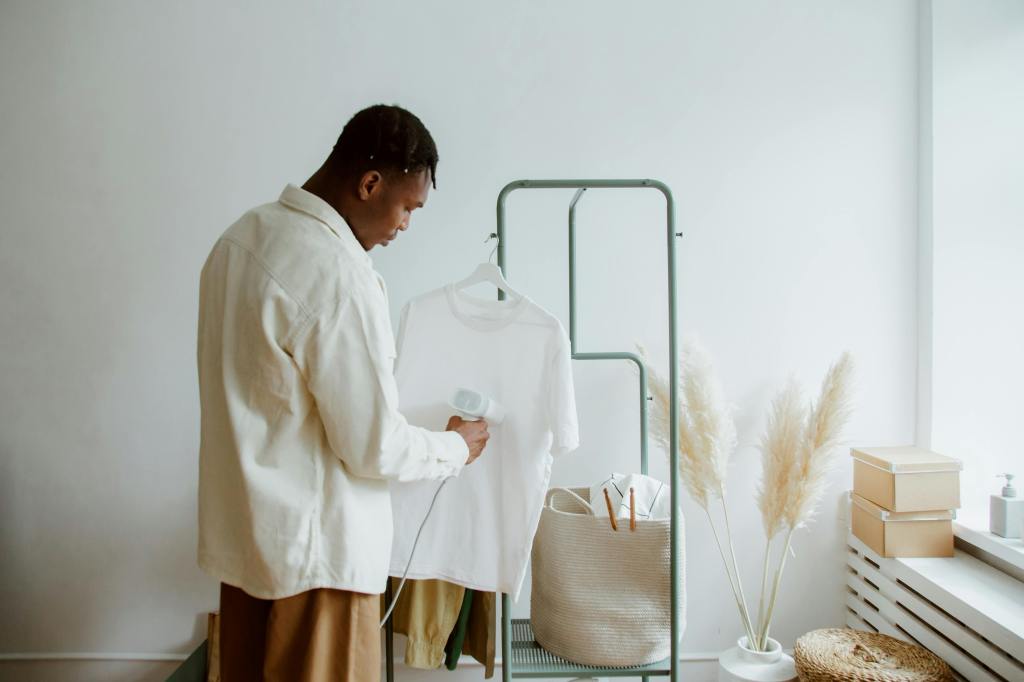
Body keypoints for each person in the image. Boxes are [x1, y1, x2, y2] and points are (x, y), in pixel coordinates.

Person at [196, 104, 490, 681]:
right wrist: (454, 448)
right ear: (369, 183)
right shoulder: (336, 272)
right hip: (318, 566)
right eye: (408, 206)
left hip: (245, 558)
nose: (405, 225)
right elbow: (372, 445)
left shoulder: (236, 242)